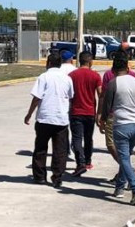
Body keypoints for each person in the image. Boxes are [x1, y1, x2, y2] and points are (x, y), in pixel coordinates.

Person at [98, 52, 135, 205]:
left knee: (124, 159)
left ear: (113, 70)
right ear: (127, 67)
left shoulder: (113, 83)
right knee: (125, 156)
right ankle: (119, 187)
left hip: (121, 126)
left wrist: (103, 120)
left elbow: (107, 106)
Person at [24, 52, 73, 188]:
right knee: (60, 150)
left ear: (49, 63)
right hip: (61, 119)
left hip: (44, 118)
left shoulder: (43, 77)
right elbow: (70, 97)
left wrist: (29, 115)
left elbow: (36, 98)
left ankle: (40, 176)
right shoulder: (67, 78)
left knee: (40, 148)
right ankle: (57, 177)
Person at [67, 51, 102, 176]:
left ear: (79, 61)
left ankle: (80, 163)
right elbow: (100, 94)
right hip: (90, 112)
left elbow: (67, 95)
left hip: (76, 111)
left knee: (76, 138)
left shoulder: (71, 75)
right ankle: (87, 161)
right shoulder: (95, 76)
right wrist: (99, 113)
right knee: (88, 138)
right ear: (90, 61)